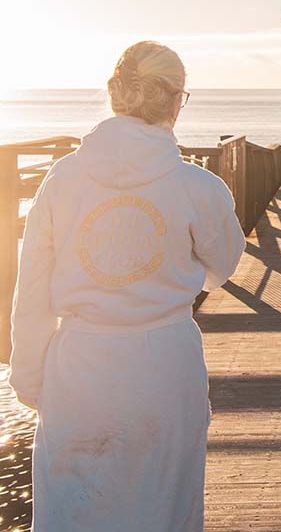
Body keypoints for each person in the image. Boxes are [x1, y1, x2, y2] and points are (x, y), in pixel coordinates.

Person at [8, 41, 246, 531]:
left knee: (73, 509)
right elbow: (222, 266)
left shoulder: (62, 179)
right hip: (164, 365)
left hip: (79, 367)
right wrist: (173, 282)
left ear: (118, 93)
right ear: (175, 100)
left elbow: (31, 288)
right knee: (163, 506)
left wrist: (30, 375)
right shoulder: (197, 186)